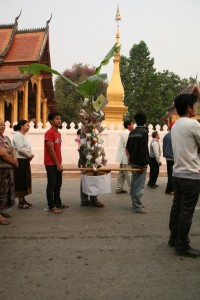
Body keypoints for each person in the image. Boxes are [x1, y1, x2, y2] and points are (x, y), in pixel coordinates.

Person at [168, 93, 200, 258]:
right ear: (189, 108)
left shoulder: (175, 125)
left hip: (178, 172)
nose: (195, 108)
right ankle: (182, 245)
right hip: (191, 174)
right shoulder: (193, 124)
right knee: (187, 211)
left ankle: (174, 238)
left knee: (177, 207)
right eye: (194, 106)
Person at [44, 112, 69, 214]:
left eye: (60, 118)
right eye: (56, 119)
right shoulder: (49, 133)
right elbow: (51, 150)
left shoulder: (58, 133)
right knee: (51, 185)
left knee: (58, 184)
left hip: (57, 163)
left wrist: (59, 163)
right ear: (51, 121)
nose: (59, 120)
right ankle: (51, 206)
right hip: (51, 164)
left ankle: (58, 203)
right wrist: (58, 164)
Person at [126, 112, 149, 214]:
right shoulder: (144, 132)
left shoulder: (132, 132)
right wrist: (143, 164)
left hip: (133, 162)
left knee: (134, 185)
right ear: (145, 121)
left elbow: (128, 148)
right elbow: (143, 150)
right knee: (138, 186)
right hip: (140, 163)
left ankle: (135, 204)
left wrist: (131, 159)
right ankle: (137, 207)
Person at [12, 120, 34, 209]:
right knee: (20, 180)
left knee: (25, 179)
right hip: (20, 160)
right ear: (21, 126)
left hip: (25, 160)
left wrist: (29, 156)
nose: (29, 127)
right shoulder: (17, 136)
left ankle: (23, 199)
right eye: (27, 125)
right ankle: (20, 202)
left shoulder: (24, 136)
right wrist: (29, 155)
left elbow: (26, 148)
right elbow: (20, 149)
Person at [0, 120, 18, 225]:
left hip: (8, 167)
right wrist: (13, 162)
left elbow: (12, 150)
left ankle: (1, 210)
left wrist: (15, 159)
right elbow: (2, 153)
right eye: (0, 125)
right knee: (1, 190)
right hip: (1, 168)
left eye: (3, 124)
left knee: (6, 190)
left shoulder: (5, 138)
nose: (2, 126)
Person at [115, 120, 133, 194]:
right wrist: (129, 157)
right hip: (125, 156)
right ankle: (133, 189)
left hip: (123, 156)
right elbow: (127, 147)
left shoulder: (125, 133)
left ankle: (119, 188)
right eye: (132, 124)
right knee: (128, 173)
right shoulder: (127, 133)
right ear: (128, 125)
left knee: (122, 173)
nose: (133, 126)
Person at [163, 122, 175, 195]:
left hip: (168, 157)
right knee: (172, 175)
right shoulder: (174, 136)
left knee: (170, 174)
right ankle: (170, 189)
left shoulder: (166, 136)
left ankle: (169, 189)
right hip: (173, 157)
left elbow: (163, 147)